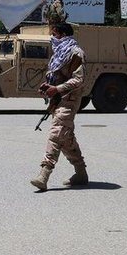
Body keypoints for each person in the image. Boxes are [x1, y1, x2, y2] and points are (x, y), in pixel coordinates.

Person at [30, 22, 88, 192]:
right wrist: (48, 86)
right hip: (58, 100)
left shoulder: (76, 53)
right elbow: (56, 76)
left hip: (69, 100)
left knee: (56, 134)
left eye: (54, 34)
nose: (52, 38)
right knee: (66, 138)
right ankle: (81, 173)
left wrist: (57, 89)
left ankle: (44, 174)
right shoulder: (59, 54)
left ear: (63, 35)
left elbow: (79, 80)